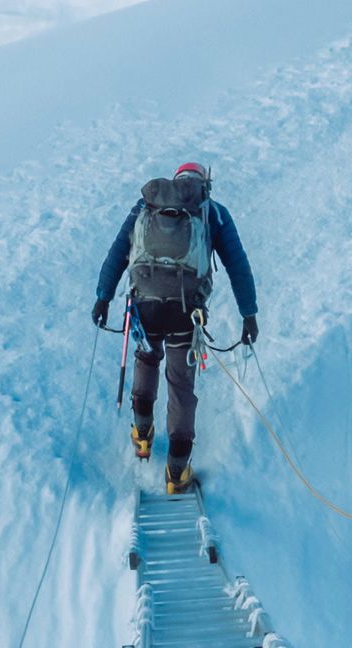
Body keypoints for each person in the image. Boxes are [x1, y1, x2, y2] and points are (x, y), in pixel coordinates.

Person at [92, 162, 258, 494]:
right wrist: (248, 314)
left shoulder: (147, 205)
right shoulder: (213, 212)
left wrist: (103, 297)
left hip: (145, 304)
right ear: (204, 183)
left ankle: (142, 434)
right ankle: (177, 470)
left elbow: (118, 251)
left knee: (147, 359)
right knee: (181, 383)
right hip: (186, 310)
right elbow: (237, 265)